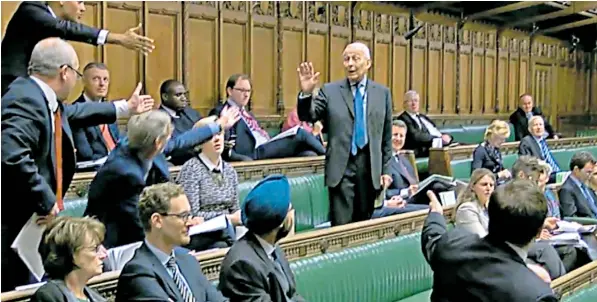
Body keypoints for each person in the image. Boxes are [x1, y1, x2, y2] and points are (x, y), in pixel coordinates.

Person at [1, 37, 154, 291]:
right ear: (65, 72)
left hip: (27, 224)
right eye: (77, 73)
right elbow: (11, 154)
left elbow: (74, 114)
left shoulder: (37, 96)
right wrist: (45, 198)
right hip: (15, 224)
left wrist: (125, 108)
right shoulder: (24, 99)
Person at [85, 109, 239, 249]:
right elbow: (139, 224)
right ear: (158, 143)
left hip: (152, 224)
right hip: (115, 240)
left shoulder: (143, 143)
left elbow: (181, 141)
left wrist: (219, 125)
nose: (170, 140)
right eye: (168, 137)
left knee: (221, 235)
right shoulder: (126, 174)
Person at [296, 42, 393, 226]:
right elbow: (309, 116)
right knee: (341, 228)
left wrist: (386, 171)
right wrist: (306, 94)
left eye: (355, 59)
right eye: (346, 59)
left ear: (368, 63)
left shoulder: (383, 94)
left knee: (364, 228)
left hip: (370, 168)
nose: (350, 64)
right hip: (341, 169)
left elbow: (386, 138)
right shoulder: (330, 91)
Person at [422, 180, 559, 301]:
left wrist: (435, 214)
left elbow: (433, 237)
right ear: (539, 231)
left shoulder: (451, 244)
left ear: (491, 216)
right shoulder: (537, 294)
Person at [1, 1, 154, 95]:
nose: (83, 8)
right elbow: (63, 28)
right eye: (79, 1)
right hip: (10, 88)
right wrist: (116, 37)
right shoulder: (30, 9)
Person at [116, 183, 227, 302]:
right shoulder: (138, 272)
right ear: (157, 220)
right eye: (183, 216)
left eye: (189, 215)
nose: (190, 223)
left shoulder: (188, 260)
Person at [219, 174, 305, 302]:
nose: (293, 214)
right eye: (290, 209)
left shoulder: (271, 248)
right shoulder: (242, 265)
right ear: (280, 222)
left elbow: (292, 295)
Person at [210, 74, 325, 162]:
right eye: (242, 90)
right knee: (300, 133)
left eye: (248, 91)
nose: (246, 95)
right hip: (252, 154)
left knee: (308, 154)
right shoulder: (222, 112)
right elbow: (224, 145)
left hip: (267, 145)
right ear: (229, 91)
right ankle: (328, 156)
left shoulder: (248, 114)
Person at [176, 117, 242, 251]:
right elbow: (192, 215)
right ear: (199, 142)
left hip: (227, 230)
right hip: (202, 236)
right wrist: (225, 218)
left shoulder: (230, 171)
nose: (217, 139)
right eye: (210, 136)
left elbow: (235, 209)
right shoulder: (191, 169)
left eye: (219, 134)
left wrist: (232, 218)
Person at [31, 217, 108, 302]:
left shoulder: (97, 298)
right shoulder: (48, 296)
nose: (104, 255)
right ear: (71, 253)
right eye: (95, 249)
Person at [372, 120, 428, 218]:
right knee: (430, 210)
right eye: (395, 135)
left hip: (412, 199)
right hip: (397, 203)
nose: (398, 138)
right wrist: (406, 192)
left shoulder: (404, 159)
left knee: (438, 187)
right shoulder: (382, 160)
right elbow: (382, 192)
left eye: (401, 136)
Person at [71, 62, 122, 164]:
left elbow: (118, 143)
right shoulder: (76, 112)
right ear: (84, 81)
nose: (102, 84)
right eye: (96, 79)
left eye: (105, 79)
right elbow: (86, 155)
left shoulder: (109, 109)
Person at [159, 79, 204, 165]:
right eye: (178, 95)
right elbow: (171, 147)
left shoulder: (192, 113)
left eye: (184, 94)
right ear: (165, 97)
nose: (184, 98)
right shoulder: (158, 119)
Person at [397, 90, 454, 157]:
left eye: (416, 101)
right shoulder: (403, 118)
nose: (414, 104)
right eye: (410, 101)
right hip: (418, 152)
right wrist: (438, 139)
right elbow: (416, 136)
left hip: (433, 147)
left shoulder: (422, 117)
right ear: (404, 104)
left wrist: (448, 137)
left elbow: (435, 130)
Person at [452, 168, 496, 237]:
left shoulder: (490, 207)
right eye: (484, 184)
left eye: (491, 185)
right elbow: (482, 240)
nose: (488, 188)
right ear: (473, 186)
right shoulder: (466, 209)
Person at [519, 116, 560, 184]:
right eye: (535, 125)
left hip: (552, 173)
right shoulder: (526, 142)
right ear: (530, 129)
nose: (539, 127)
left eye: (541, 125)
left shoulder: (543, 141)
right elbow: (526, 162)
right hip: (539, 175)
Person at [471, 120, 512, 184]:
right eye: (501, 139)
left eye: (504, 139)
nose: (503, 141)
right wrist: (498, 175)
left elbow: (499, 168)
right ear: (493, 136)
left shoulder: (496, 149)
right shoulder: (480, 151)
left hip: (498, 183)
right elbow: (476, 176)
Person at [558, 151, 597, 218]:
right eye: (588, 172)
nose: (590, 176)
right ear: (576, 170)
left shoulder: (585, 186)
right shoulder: (566, 190)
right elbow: (571, 217)